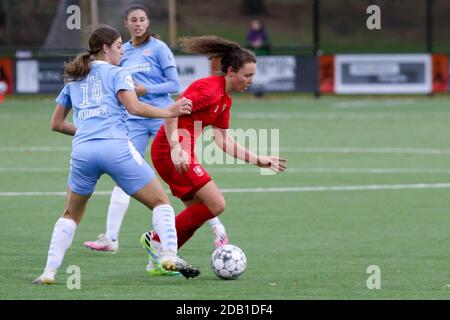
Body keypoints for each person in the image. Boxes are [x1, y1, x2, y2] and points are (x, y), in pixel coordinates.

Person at [32, 26, 200, 285]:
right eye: (120, 45)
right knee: (160, 202)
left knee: (70, 214)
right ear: (105, 48)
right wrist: (171, 110)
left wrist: (88, 132)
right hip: (116, 148)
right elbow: (134, 107)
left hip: (83, 152)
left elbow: (56, 124)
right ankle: (168, 255)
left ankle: (49, 272)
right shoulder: (118, 73)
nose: (123, 49)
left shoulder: (76, 77)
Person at [83, 5, 229, 257]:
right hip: (136, 118)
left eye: (142, 20)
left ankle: (218, 228)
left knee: (186, 177)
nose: (138, 24)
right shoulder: (122, 52)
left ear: (148, 23)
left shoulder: (159, 49)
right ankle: (111, 237)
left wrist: (144, 90)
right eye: (133, 20)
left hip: (163, 115)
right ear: (127, 24)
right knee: (123, 172)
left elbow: (174, 84)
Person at [140, 35, 287, 263]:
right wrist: (176, 148)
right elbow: (172, 112)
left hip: (178, 152)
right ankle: (156, 240)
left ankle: (161, 259)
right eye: (247, 75)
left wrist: (257, 159)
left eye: (252, 76)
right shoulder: (209, 90)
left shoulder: (225, 100)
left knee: (199, 212)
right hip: (170, 151)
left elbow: (223, 140)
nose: (250, 80)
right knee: (216, 204)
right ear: (230, 72)